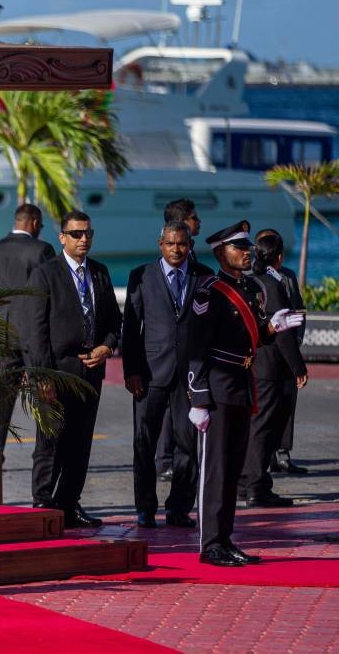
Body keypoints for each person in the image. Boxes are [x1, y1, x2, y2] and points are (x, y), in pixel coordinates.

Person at [186, 221, 304, 567]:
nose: (247, 252)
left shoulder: (250, 288)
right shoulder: (209, 292)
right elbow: (196, 349)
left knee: (233, 468)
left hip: (241, 386)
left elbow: (254, 336)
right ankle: (210, 545)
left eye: (248, 247)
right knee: (216, 472)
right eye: (240, 247)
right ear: (222, 253)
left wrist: (271, 327)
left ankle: (225, 539)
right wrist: (198, 399)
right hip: (218, 392)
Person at [20, 210, 121, 528]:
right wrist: (42, 375)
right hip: (57, 371)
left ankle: (69, 502)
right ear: (62, 237)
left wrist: (107, 347)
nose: (83, 239)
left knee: (80, 442)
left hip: (90, 372)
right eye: (76, 234)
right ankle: (43, 502)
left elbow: (114, 322)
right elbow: (35, 330)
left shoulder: (101, 273)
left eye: (88, 233)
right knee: (50, 441)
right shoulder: (46, 274)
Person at [122, 221, 207, 529]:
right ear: (160, 244)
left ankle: (179, 507)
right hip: (149, 374)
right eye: (170, 244)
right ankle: (145, 507)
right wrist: (131, 370)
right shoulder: (141, 276)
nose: (176, 249)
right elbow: (130, 329)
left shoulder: (204, 277)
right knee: (144, 443)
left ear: (190, 246)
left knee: (188, 444)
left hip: (190, 377)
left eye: (181, 244)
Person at [239, 232, 308, 507]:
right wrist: (298, 367)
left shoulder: (250, 281)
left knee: (254, 426)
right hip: (270, 367)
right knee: (264, 428)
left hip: (253, 363)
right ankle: (257, 486)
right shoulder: (272, 283)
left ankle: (246, 483)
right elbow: (283, 333)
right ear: (279, 257)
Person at [0, 203, 56, 457]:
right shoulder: (42, 250)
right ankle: (45, 454)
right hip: (33, 331)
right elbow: (50, 291)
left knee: (0, 399)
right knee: (44, 394)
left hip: (3, 329)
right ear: (34, 223)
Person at [155, 197, 208, 480]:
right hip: (164, 358)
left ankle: (175, 459)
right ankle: (164, 460)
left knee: (180, 412)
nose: (198, 222)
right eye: (194, 217)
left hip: (189, 355)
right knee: (165, 413)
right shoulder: (151, 272)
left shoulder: (197, 264)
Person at [255, 228, 309, 475]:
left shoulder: (287, 276)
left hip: (288, 350)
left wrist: (296, 340)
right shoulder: (254, 278)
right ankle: (260, 463)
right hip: (266, 353)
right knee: (264, 410)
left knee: (287, 403)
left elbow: (297, 309)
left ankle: (282, 453)